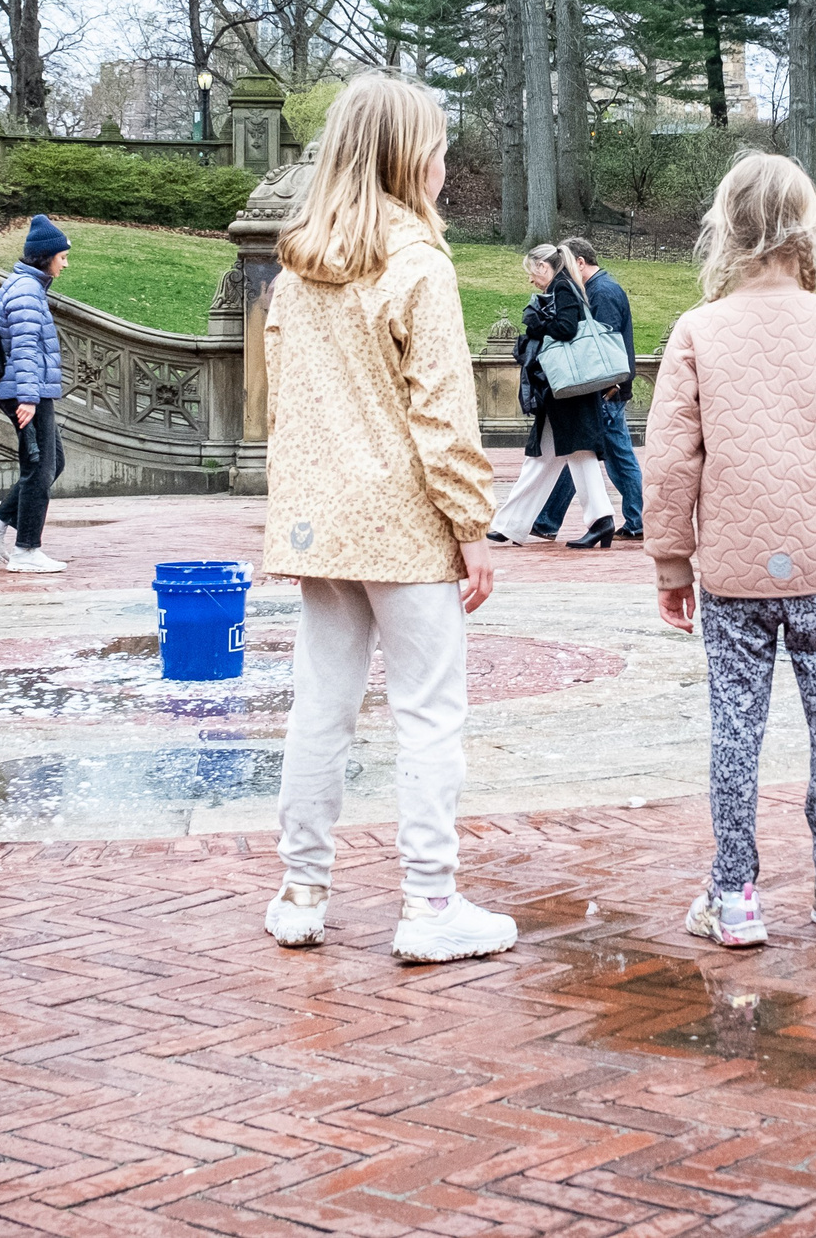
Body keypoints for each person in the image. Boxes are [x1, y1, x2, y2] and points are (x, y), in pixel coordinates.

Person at [259, 70, 514, 965]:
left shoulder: (296, 269)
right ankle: (430, 898)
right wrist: (472, 525)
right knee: (429, 709)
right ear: (412, 157)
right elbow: (444, 412)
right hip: (404, 522)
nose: (446, 162)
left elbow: (282, 405)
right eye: (439, 146)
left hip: (323, 523)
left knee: (319, 707)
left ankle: (301, 889)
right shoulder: (417, 263)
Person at [646, 152, 816, 948]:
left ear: (726, 228)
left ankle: (736, 895)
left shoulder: (698, 329)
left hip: (731, 567)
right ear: (810, 227)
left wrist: (670, 559)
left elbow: (670, 455)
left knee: (735, 729)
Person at [486, 246, 618, 547]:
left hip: (566, 390)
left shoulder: (562, 287)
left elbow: (566, 327)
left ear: (544, 265)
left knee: (563, 455)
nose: (532, 279)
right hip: (568, 391)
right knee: (551, 456)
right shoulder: (567, 285)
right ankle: (513, 523)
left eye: (532, 271)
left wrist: (536, 326)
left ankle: (598, 520)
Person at [0, 217, 71, 574]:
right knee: (39, 468)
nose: (65, 263)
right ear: (45, 257)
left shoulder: (25, 285)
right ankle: (26, 549)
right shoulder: (27, 291)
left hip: (25, 389)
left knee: (51, 462)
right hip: (26, 391)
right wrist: (28, 397)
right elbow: (26, 348)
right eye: (62, 256)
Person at [528, 237, 644, 545]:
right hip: (609, 389)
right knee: (601, 455)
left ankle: (549, 521)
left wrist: (608, 385)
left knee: (587, 451)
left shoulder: (600, 292)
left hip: (604, 390)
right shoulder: (600, 289)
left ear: (580, 263)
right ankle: (635, 519)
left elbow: (599, 347)